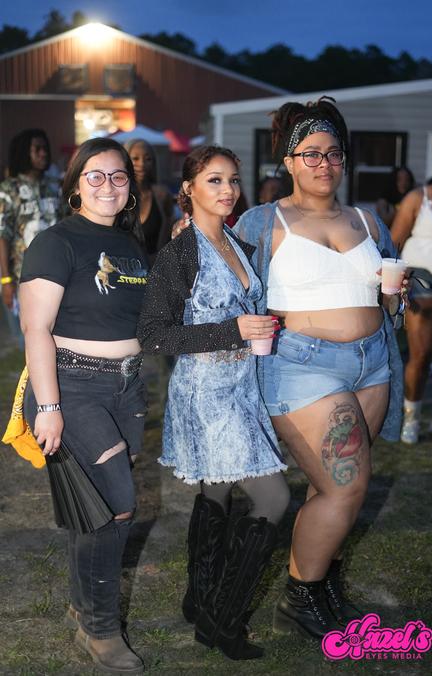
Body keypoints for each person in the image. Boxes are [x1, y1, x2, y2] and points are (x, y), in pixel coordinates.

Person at [232, 98, 404, 641]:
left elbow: (387, 299)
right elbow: (223, 283)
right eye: (310, 153)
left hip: (371, 364)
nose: (323, 163)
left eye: (333, 153)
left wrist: (394, 295)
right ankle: (299, 600)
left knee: (329, 486)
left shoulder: (367, 220)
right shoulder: (264, 220)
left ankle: (320, 580)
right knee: (346, 487)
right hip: (302, 366)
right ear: (288, 160)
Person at [137, 145, 289, 661]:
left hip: (243, 386)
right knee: (273, 500)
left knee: (218, 492)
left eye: (233, 180)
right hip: (206, 394)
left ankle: (200, 600)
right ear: (189, 189)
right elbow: (153, 334)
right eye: (214, 180)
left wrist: (261, 326)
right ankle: (223, 621)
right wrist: (231, 330)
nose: (228, 190)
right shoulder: (180, 253)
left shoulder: (238, 243)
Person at [19, 137, 148, 674]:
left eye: (118, 176)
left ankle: (82, 602)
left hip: (127, 388)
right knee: (118, 504)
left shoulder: (133, 245)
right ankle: (101, 630)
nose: (108, 186)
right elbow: (36, 328)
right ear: (75, 186)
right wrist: (49, 406)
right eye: (95, 175)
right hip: (71, 386)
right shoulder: (56, 242)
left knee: (95, 508)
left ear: (131, 188)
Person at [390, 150, 432, 443]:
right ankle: (411, 418)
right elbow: (394, 240)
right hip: (421, 279)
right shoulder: (419, 198)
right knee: (422, 354)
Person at [0, 129, 63, 346]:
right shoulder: (9, 189)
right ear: (23, 152)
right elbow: (2, 235)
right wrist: (5, 280)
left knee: (57, 338)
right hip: (22, 277)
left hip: (58, 275)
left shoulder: (56, 186)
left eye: (45, 148)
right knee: (27, 341)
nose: (43, 153)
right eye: (37, 149)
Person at [124, 139, 175, 266]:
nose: (142, 164)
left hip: (155, 269)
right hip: (121, 269)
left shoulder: (162, 195)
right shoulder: (116, 196)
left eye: (148, 159)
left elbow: (170, 236)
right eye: (135, 158)